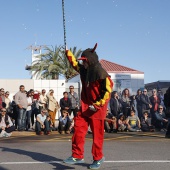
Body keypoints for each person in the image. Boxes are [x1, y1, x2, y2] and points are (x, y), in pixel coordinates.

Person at [63, 43, 113, 169]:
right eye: (83, 61)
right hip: (85, 107)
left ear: (90, 61)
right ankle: (77, 155)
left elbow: (108, 91)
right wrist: (68, 52)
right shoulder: (84, 71)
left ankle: (98, 158)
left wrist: (97, 105)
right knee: (78, 129)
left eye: (84, 61)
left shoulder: (101, 73)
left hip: (97, 109)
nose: (83, 63)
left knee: (97, 136)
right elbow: (74, 63)